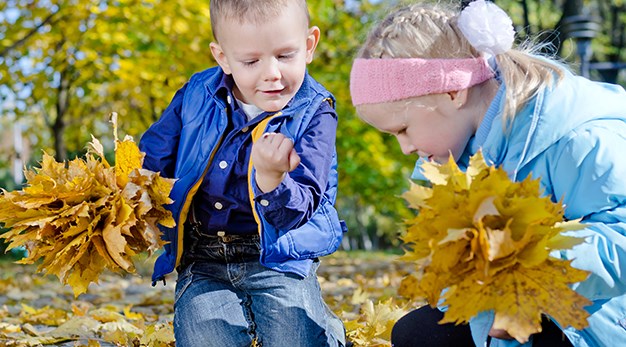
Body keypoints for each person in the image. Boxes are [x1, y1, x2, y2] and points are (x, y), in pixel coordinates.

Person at [349, 1, 626, 346]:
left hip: (591, 322)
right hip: (505, 319)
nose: (405, 148)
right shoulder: (459, 157)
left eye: (403, 129)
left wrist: (529, 281)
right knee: (416, 333)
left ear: (453, 92)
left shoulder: (574, 139)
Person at [139, 0, 347, 346]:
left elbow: (302, 207)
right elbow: (154, 155)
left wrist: (272, 179)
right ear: (223, 58)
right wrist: (129, 197)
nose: (272, 74)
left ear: (309, 46)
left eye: (285, 56)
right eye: (251, 61)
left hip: (279, 257)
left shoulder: (316, 112)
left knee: (295, 338)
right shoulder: (196, 93)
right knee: (206, 337)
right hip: (204, 258)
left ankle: (326, 327)